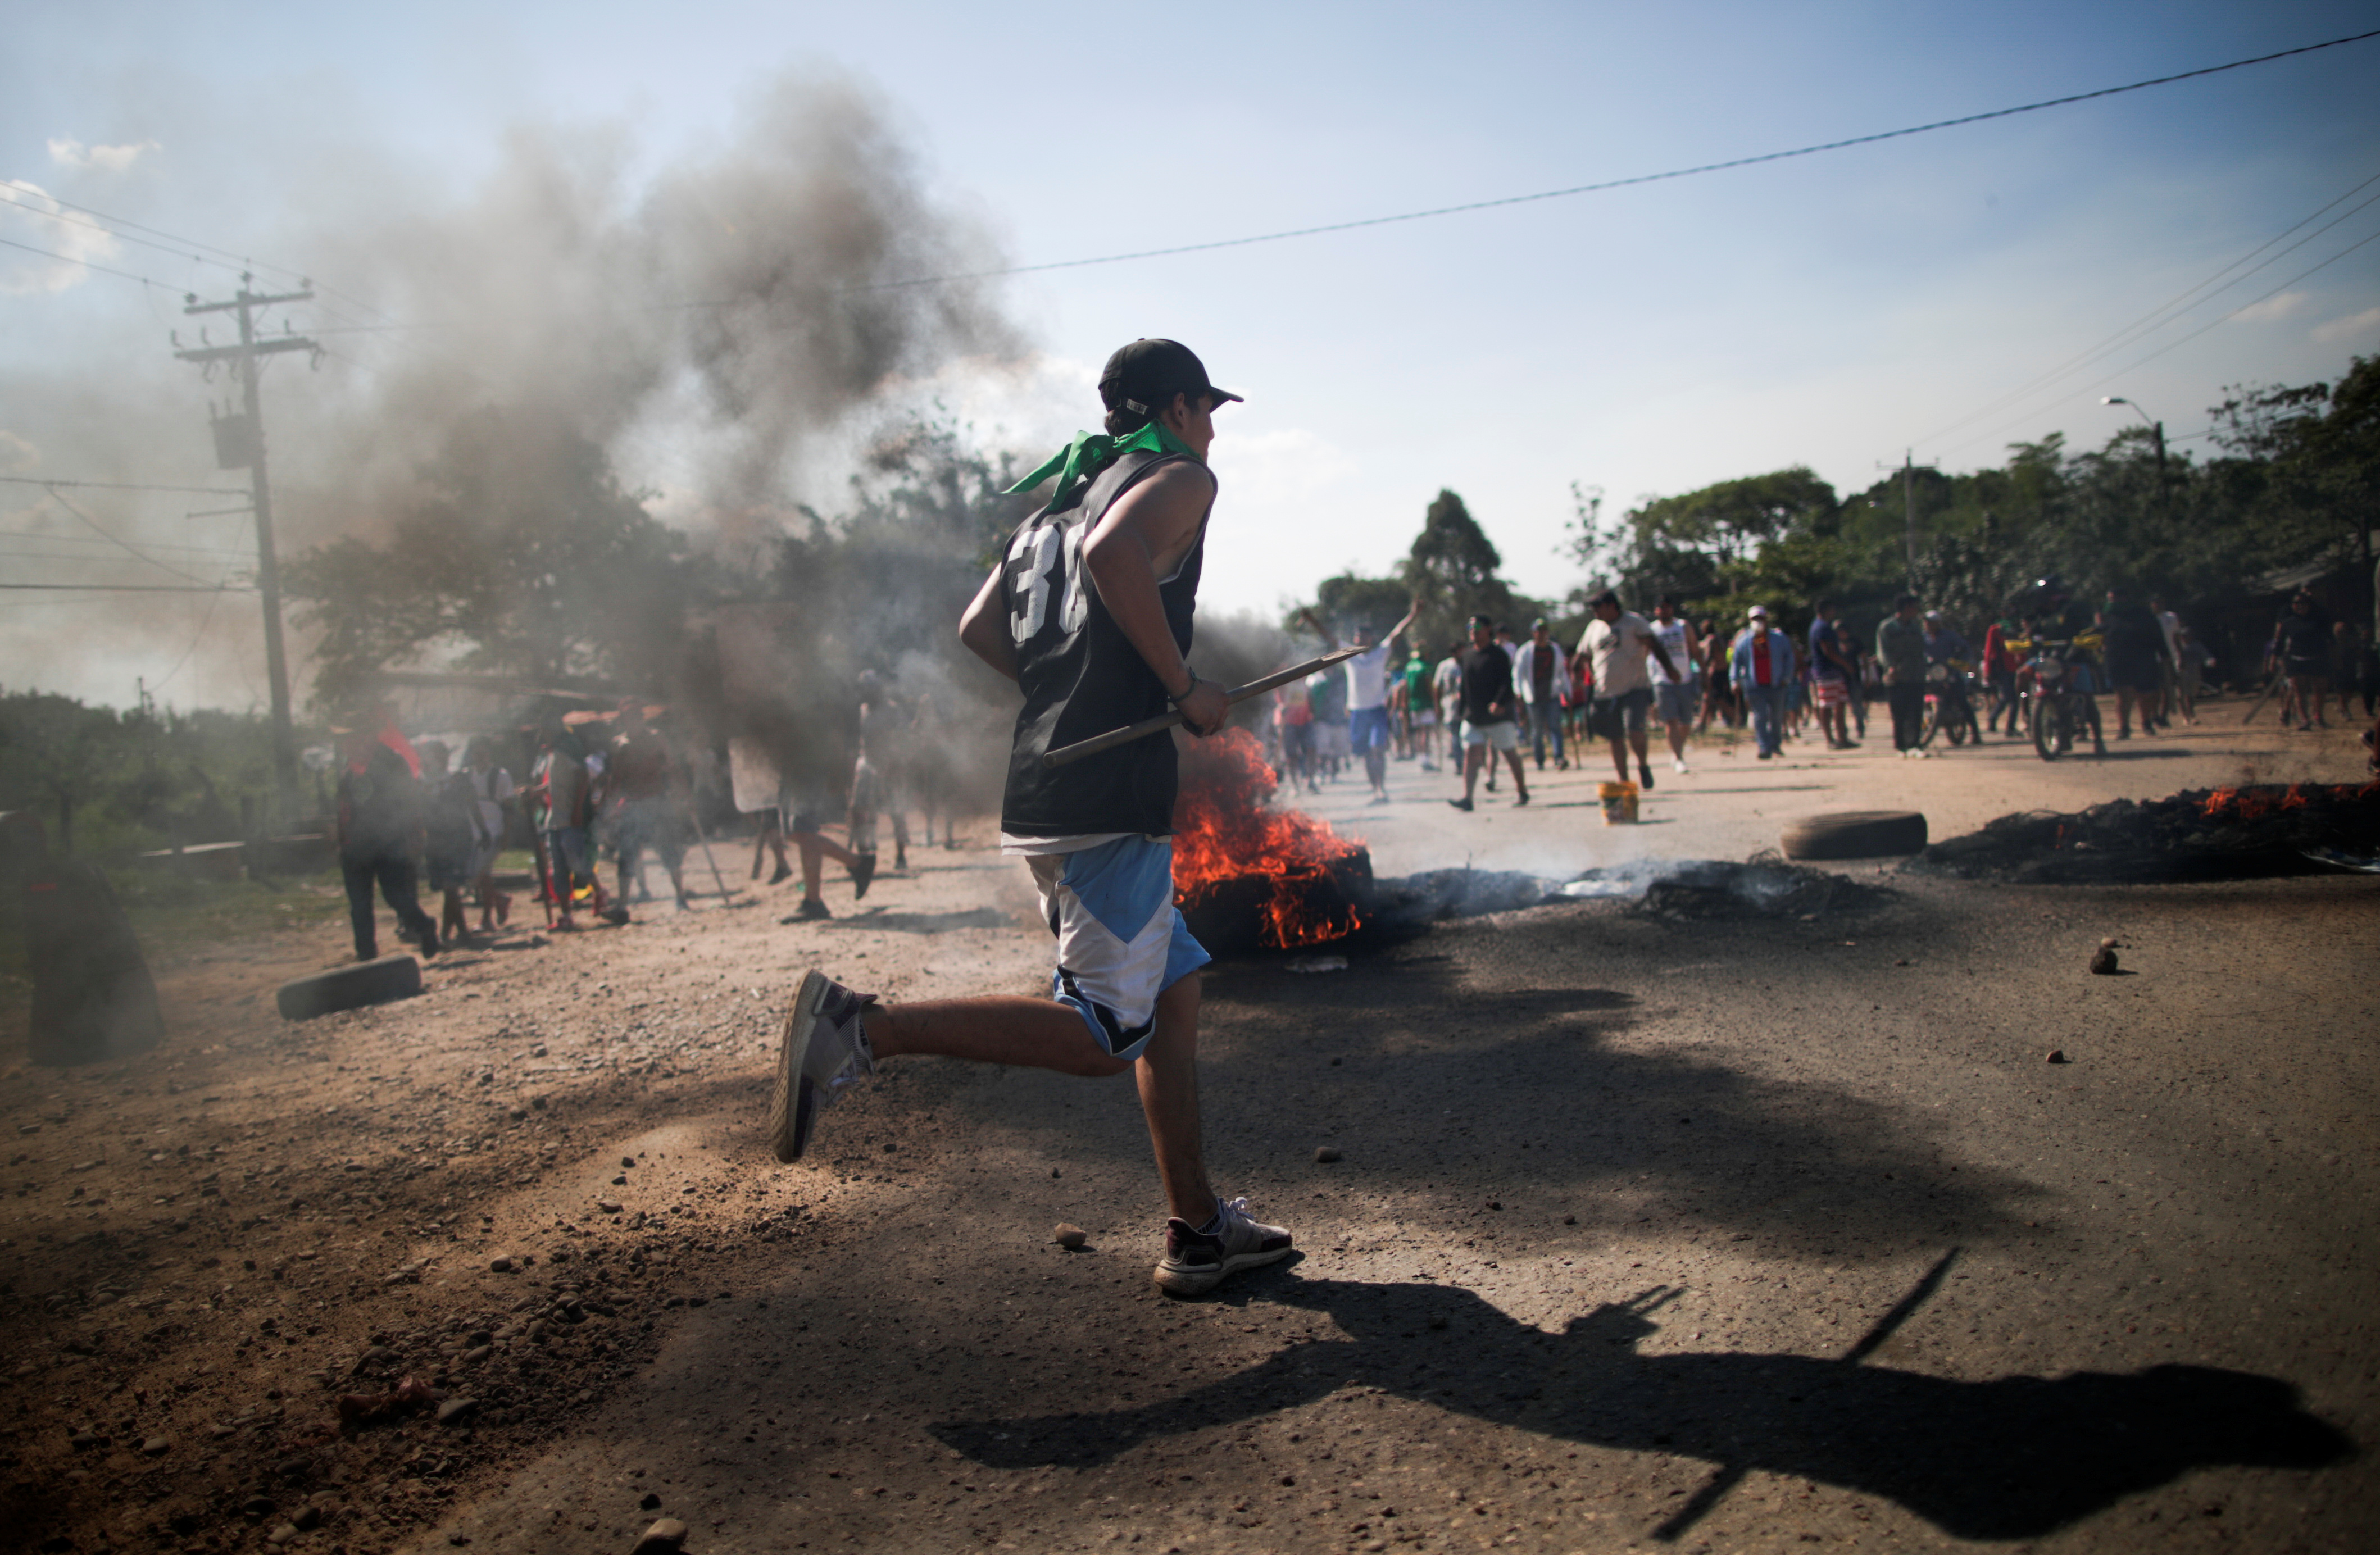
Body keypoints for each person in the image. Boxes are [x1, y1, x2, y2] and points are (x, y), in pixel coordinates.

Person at [766, 337, 1291, 1298]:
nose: (1213, 430)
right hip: (1107, 797)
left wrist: (1067, 690)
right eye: (1207, 409)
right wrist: (1179, 688)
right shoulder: (1175, 477)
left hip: (1049, 782)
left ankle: (1199, 1228)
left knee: (1173, 997)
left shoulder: (1060, 501)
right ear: (1176, 408)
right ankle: (860, 1029)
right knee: (1101, 1036)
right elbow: (1113, 554)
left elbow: (978, 627)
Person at [1, 811, 165, 1066]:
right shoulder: (37, 877)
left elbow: (97, 919)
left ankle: (96, 1042)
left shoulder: (60, 874)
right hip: (77, 954)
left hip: (94, 951)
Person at [337, 710, 440, 959]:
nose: (347, 742)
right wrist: (342, 840)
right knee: (360, 906)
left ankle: (424, 926)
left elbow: (409, 801)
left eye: (352, 736)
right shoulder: (348, 767)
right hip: (356, 846)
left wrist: (414, 834)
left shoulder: (393, 762)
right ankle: (367, 956)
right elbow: (344, 807)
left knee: (395, 895)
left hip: (389, 841)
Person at [1305, 597, 1420, 804]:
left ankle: (1381, 789)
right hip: (1357, 712)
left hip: (1376, 710)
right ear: (1355, 639)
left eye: (1365, 635)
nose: (1361, 638)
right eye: (1358, 635)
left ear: (1371, 638)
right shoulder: (1349, 654)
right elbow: (1329, 637)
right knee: (1366, 753)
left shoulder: (1381, 653)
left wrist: (1413, 615)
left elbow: (1397, 633)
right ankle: (1374, 789)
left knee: (1378, 749)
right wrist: (1312, 620)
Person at [1577, 589, 1679, 790]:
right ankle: (1624, 781)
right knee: (1615, 738)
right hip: (1606, 691)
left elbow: (1655, 646)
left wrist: (1669, 669)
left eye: (1598, 608)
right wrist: (1580, 676)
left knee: (1634, 729)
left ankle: (1642, 764)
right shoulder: (1594, 628)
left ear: (1611, 606)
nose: (1595, 612)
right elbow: (1583, 655)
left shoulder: (1634, 622)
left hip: (1635, 687)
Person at [605, 702, 693, 910]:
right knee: (627, 855)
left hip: (657, 802)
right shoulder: (620, 745)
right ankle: (622, 906)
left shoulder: (656, 739)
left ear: (641, 718)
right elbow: (616, 779)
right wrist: (609, 805)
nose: (631, 722)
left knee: (670, 851)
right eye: (627, 718)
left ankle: (681, 897)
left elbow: (672, 767)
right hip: (633, 806)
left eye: (635, 717)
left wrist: (686, 796)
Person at [1448, 613, 1529, 810]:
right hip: (1474, 717)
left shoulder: (1498, 655)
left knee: (1509, 753)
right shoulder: (1466, 656)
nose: (1473, 632)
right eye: (1470, 628)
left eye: (1477, 628)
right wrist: (1461, 712)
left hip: (1498, 717)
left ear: (1488, 629)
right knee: (1471, 754)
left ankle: (1522, 791)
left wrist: (1499, 702)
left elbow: (1506, 683)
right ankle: (1468, 798)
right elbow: (1464, 688)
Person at [529, 717, 598, 929]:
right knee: (558, 869)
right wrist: (534, 792)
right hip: (554, 820)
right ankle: (566, 915)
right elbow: (554, 784)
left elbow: (581, 778)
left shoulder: (566, 752)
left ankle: (600, 892)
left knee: (577, 864)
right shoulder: (550, 756)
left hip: (569, 818)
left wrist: (577, 809)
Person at [415, 739, 482, 944]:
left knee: (451, 886)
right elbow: (415, 815)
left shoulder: (458, 780)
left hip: (458, 838)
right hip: (435, 841)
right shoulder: (419, 784)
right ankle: (460, 932)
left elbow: (473, 806)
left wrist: (484, 830)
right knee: (448, 888)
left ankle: (447, 934)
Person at [459, 735, 516, 931]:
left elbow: (509, 806)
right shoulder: (467, 776)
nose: (479, 756)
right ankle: (499, 899)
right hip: (475, 832)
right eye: (476, 752)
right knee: (483, 877)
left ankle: (486, 919)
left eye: (483, 751)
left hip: (494, 831)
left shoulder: (500, 776)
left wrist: (507, 834)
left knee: (479, 873)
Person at [2097, 589, 2169, 739]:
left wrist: (2166, 658)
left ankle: (2146, 724)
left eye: (2114, 599)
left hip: (2143, 660)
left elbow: (2158, 638)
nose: (2111, 602)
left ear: (2124, 598)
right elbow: (2099, 635)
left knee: (2144, 695)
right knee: (2122, 696)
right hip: (2117, 660)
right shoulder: (2108, 617)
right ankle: (2124, 728)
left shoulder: (2144, 615)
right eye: (2109, 599)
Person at [1728, 606, 1796, 759]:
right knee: (1760, 716)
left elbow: (1789, 659)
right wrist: (1734, 681)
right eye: (1754, 619)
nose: (1758, 621)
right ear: (1750, 621)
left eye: (1760, 618)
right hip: (1754, 685)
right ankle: (1764, 747)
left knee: (1777, 716)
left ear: (1766, 620)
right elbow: (1736, 662)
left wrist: (1787, 677)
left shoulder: (1779, 638)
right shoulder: (1744, 640)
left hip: (1777, 684)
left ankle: (1775, 745)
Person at [1647, 597, 1701, 773]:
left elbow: (1694, 649)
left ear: (1672, 609)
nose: (1664, 611)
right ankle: (1678, 758)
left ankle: (1677, 749)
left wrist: (1704, 672)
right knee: (1671, 721)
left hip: (1685, 679)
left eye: (1667, 607)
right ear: (1656, 611)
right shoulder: (1651, 630)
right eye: (1661, 608)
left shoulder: (1683, 627)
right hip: (1662, 680)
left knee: (1686, 722)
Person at [1513, 617, 1570, 772]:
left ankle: (1559, 758)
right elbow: (1517, 674)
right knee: (1537, 731)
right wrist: (1518, 692)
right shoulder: (1525, 651)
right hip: (1533, 698)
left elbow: (1562, 673)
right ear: (1533, 633)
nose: (1542, 634)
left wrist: (1567, 690)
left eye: (1545, 631)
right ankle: (1540, 759)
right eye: (1539, 631)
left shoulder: (1555, 650)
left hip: (1552, 695)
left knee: (1555, 727)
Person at [1876, 595, 1931, 757]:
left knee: (1916, 712)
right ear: (1906, 607)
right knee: (1899, 713)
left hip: (1916, 675)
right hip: (1896, 677)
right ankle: (1900, 747)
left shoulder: (1915, 627)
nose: (1917, 610)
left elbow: (1922, 649)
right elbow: (1883, 650)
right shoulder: (1887, 627)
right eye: (1914, 606)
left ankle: (1915, 745)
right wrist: (1890, 667)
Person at [2268, 590, 2331, 731]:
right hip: (2296, 660)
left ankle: (2318, 716)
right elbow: (2279, 644)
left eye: (2303, 604)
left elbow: (2330, 639)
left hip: (2317, 658)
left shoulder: (2319, 620)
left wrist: (2335, 657)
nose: (2300, 606)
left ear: (2309, 605)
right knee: (2299, 691)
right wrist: (2273, 660)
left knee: (2319, 690)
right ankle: (2305, 720)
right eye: (2296, 604)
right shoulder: (2288, 623)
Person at [1806, 598, 1858, 751]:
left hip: (1833, 672)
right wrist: (1846, 664)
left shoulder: (1822, 626)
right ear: (1826, 610)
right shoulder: (1822, 628)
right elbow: (1828, 651)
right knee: (1827, 705)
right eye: (1832, 609)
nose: (1834, 612)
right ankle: (1830, 739)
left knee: (1840, 704)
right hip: (1826, 672)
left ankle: (1842, 738)